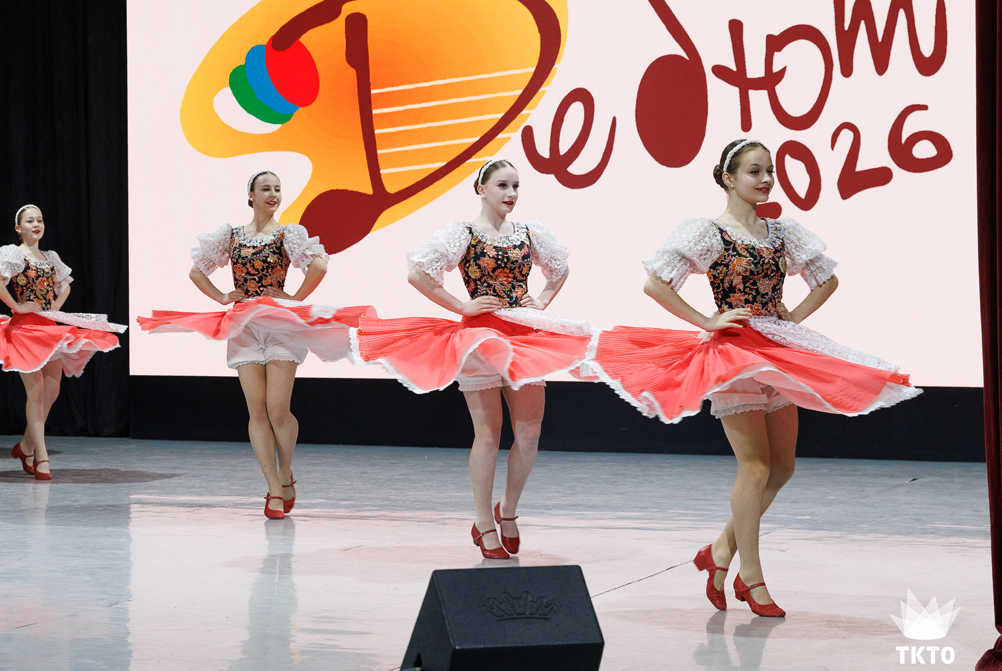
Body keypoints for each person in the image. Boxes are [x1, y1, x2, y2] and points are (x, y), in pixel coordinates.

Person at [583, 138, 922, 617]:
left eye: (770, 171)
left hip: (778, 350)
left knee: (783, 467)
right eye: (754, 171)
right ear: (728, 178)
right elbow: (655, 283)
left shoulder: (782, 231)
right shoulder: (707, 232)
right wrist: (706, 320)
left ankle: (719, 551)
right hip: (734, 354)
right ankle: (751, 576)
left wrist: (793, 317)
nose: (765, 180)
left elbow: (827, 279)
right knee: (756, 466)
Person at [353, 159, 592, 559]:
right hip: (480, 338)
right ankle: (484, 523)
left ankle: (508, 511)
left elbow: (559, 267)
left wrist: (543, 299)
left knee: (529, 433)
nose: (511, 193)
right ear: (482, 189)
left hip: (524, 336)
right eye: (502, 185)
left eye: (516, 186)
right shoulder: (462, 233)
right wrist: (461, 305)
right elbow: (417, 274)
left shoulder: (529, 232)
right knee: (489, 434)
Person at [138, 171, 372, 519]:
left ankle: (285, 473)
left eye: (277, 189)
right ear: (250, 195)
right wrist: (221, 296)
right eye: (266, 189)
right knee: (257, 412)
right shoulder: (231, 236)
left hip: (279, 324)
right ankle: (274, 489)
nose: (273, 194)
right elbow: (196, 272)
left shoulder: (288, 234)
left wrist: (294, 298)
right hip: (244, 325)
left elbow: (319, 266)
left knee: (277, 409)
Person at [0, 205, 125, 479]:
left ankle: (26, 446)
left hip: (48, 329)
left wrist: (55, 306)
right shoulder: (13, 253)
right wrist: (16, 306)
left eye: (39, 220)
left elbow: (66, 285)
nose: (36, 224)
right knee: (36, 393)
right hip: (24, 331)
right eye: (30, 221)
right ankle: (42, 457)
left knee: (52, 392)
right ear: (19, 228)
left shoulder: (50, 257)